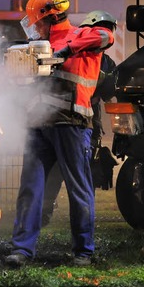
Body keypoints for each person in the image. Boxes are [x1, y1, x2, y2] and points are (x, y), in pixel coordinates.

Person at [5, 0, 114, 268]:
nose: (35, 28)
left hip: (72, 123)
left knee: (79, 188)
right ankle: (22, 249)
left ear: (52, 17)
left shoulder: (82, 35)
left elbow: (106, 36)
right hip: (38, 124)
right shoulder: (37, 44)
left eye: (38, 23)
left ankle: (83, 251)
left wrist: (67, 50)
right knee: (30, 188)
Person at [41, 11, 118, 226]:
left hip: (81, 120)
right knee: (75, 172)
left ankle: (70, 218)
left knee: (77, 173)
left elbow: (108, 91)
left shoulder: (103, 58)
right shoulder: (79, 50)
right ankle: (50, 212)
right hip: (74, 120)